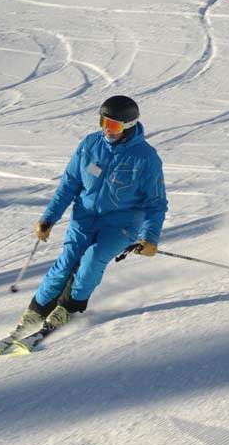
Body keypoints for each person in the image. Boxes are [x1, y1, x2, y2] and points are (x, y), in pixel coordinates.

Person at [14, 95, 167, 335]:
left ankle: (68, 307)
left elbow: (156, 204)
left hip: (122, 224)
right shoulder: (89, 145)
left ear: (128, 127)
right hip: (84, 217)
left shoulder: (146, 158)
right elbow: (70, 184)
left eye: (114, 125)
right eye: (103, 122)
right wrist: (48, 218)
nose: (107, 130)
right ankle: (38, 308)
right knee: (67, 262)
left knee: (92, 259)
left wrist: (150, 238)